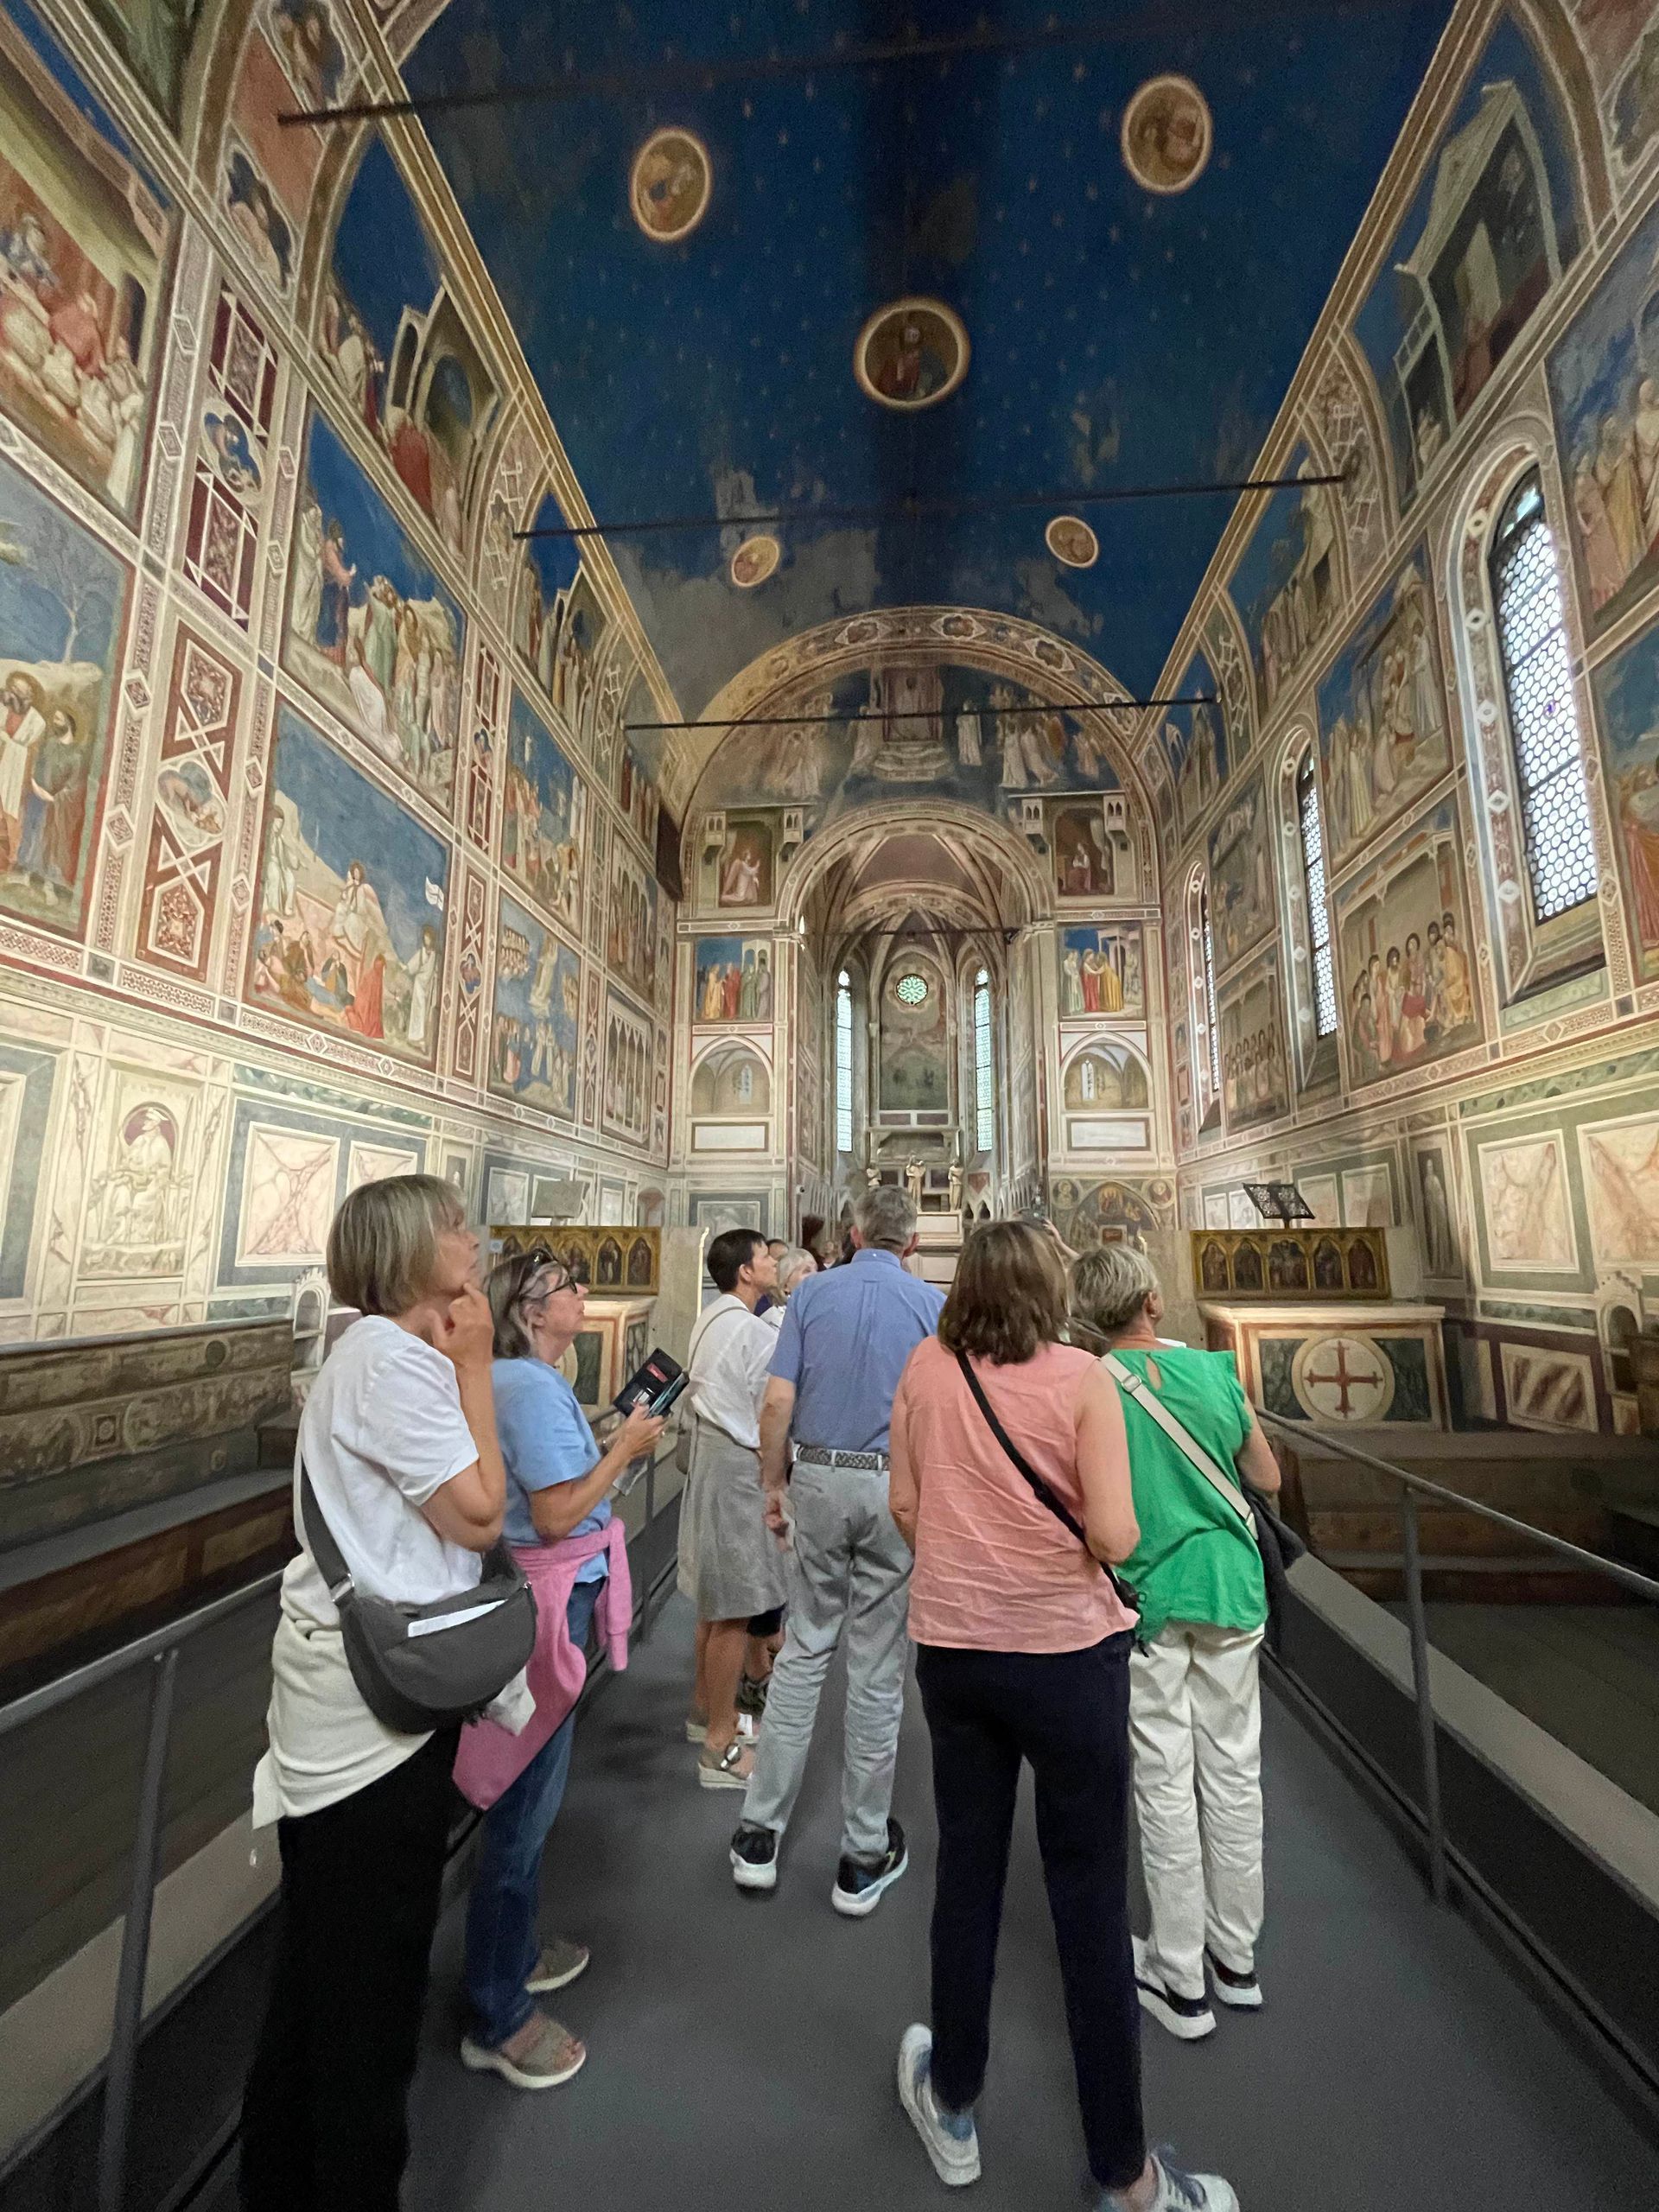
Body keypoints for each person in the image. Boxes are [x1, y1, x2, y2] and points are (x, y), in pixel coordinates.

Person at [886, 1221, 1237, 2212]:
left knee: (968, 1875)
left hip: (956, 1653)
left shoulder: (926, 1363)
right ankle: (1127, 2173)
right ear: (1051, 1289)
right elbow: (1116, 1531)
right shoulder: (1084, 1375)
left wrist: (971, 1551)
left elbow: (904, 1506)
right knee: (1088, 1900)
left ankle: (952, 2100)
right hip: (1070, 1662)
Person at [241, 1178, 506, 2211]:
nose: (474, 1239)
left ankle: (281, 2186)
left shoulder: (368, 1352)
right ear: (407, 1250)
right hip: (372, 1732)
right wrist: (476, 1362)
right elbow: (481, 1516)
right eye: (454, 1226)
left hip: (339, 1712)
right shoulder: (396, 1362)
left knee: (317, 1990)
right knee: (367, 2010)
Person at [453, 1249, 664, 2090]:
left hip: (536, 1596)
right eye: (570, 1289)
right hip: (546, 1604)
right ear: (532, 1311)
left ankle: (518, 1951)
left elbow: (556, 1479)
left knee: (525, 1797)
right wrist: (630, 1449)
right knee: (525, 1806)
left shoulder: (514, 1378)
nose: (584, 1296)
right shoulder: (532, 1385)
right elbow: (555, 1511)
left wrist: (605, 1443)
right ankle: (497, 2012)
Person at [1071, 1243, 1281, 2046]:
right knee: (1234, 1769)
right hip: (1230, 1589)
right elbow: (1264, 1477)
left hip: (1148, 1596)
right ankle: (1238, 1959)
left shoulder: (1093, 1383)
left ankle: (1179, 1970)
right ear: (1153, 1303)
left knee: (1163, 1777)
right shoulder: (1219, 1373)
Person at [728, 1185, 943, 1913]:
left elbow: (777, 1403)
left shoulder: (811, 1297)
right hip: (894, 1487)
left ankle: (758, 1833)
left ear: (852, 1234)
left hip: (817, 1475)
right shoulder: (931, 1308)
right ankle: (860, 1854)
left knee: (805, 1649)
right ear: (910, 1243)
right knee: (879, 1667)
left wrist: (772, 1484)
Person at [681, 1230, 786, 1786]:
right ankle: (720, 1749)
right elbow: (768, 1408)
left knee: (713, 1602)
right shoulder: (749, 1329)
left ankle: (706, 1713)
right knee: (733, 1611)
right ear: (746, 1271)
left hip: (710, 1458)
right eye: (766, 1256)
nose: (773, 1260)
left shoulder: (713, 1315)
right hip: (735, 1466)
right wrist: (778, 1471)